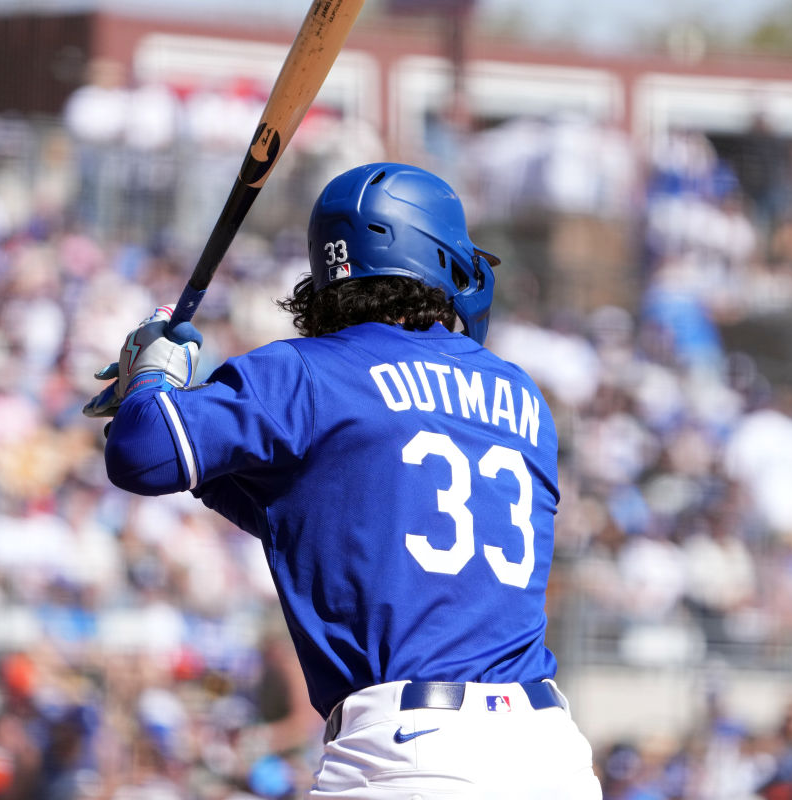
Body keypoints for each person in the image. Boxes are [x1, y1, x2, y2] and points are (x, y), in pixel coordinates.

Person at [83, 162, 602, 799]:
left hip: (410, 754)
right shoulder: (522, 395)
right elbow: (328, 520)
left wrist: (155, 384)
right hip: (550, 755)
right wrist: (164, 425)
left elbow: (142, 455)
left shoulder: (305, 373)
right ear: (437, 261)